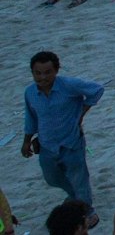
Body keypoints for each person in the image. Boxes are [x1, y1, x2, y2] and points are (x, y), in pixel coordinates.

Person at [21, 53, 102, 226]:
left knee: (79, 179)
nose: (42, 77)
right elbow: (31, 118)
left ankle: (87, 211)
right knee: (52, 178)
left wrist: (81, 113)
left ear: (56, 70)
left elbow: (96, 90)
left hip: (71, 143)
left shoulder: (69, 85)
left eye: (47, 72)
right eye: (38, 73)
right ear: (32, 73)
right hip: (47, 145)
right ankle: (74, 198)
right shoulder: (30, 93)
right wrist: (27, 140)